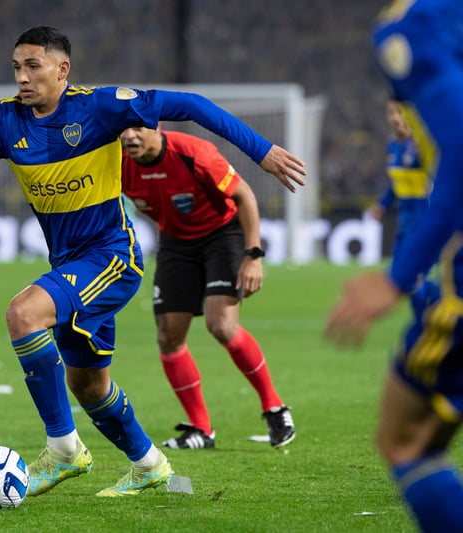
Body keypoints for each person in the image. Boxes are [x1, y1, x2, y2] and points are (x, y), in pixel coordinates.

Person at [0, 26, 305, 498]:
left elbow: (191, 104)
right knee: (88, 385)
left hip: (112, 257)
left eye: (33, 66)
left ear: (62, 69)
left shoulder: (100, 107)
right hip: (69, 262)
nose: (22, 77)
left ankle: (64, 451)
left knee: (23, 313)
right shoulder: (4, 120)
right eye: (16, 67)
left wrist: (261, 150)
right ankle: (150, 465)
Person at [325, 1, 463, 530]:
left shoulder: (412, 25)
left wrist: (395, 279)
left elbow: (460, 157)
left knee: (405, 439)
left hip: (445, 265)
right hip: (421, 236)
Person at [120, 126, 295, 450]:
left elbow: (244, 195)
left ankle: (275, 407)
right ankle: (201, 429)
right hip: (175, 243)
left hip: (222, 235)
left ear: (156, 127)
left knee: (222, 325)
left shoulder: (194, 154)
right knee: (168, 336)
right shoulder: (117, 163)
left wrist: (253, 256)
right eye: (123, 129)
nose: (130, 136)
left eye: (138, 128)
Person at [367, 98, 438, 316]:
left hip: (423, 217)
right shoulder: (393, 144)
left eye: (399, 112)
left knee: (412, 278)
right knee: (402, 280)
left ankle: (427, 320)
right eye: (391, 113)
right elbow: (396, 183)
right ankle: (435, 306)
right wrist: (383, 204)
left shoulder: (423, 145)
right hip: (404, 218)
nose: (395, 118)